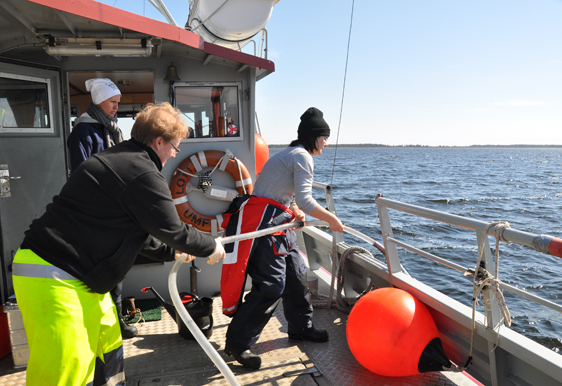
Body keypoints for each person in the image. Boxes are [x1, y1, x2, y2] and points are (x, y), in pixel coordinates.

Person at [12, 102, 226, 386]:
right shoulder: (142, 172)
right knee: (65, 370)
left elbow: (141, 234)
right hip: (52, 273)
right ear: (159, 141)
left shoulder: (122, 160)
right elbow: (174, 229)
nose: (174, 154)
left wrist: (171, 250)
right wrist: (212, 246)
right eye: (175, 147)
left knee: (107, 350)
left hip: (84, 279)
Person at [220, 107, 344, 369]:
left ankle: (301, 326)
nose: (326, 142)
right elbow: (307, 200)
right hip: (266, 228)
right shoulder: (302, 156)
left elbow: (283, 196)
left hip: (279, 223)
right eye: (324, 137)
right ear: (313, 136)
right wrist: (332, 220)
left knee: (297, 276)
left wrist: (294, 210)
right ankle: (237, 342)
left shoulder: (292, 153)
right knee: (271, 286)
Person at [66, 78, 136, 339]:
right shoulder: (83, 133)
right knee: (100, 269)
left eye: (118, 103)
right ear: (98, 101)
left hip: (115, 208)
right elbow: (81, 176)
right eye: (113, 102)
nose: (116, 107)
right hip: (95, 213)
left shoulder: (114, 129)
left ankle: (116, 323)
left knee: (116, 267)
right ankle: (99, 324)